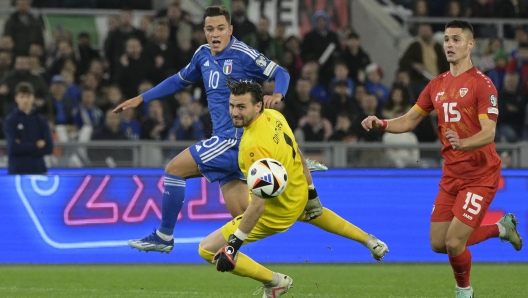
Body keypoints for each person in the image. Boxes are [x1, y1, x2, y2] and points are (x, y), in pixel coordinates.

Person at [114, 6, 326, 254]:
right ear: (204, 31)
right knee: (243, 219)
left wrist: (278, 93)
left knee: (173, 170)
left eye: (220, 28)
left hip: (232, 139)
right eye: (209, 29)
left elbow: (281, 72)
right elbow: (177, 81)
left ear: (230, 30)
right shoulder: (202, 54)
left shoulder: (242, 54)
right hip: (228, 145)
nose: (215, 34)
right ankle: (273, 273)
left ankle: (163, 236)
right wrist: (142, 98)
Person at [361, 20, 523, 298]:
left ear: (470, 44)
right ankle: (501, 229)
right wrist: (383, 124)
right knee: (439, 243)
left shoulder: (482, 85)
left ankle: (464, 291)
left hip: (480, 175)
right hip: (452, 175)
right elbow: (410, 120)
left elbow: (489, 133)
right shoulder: (436, 85)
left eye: (456, 39)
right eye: (447, 39)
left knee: (453, 241)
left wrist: (465, 143)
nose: (449, 44)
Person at [199, 79, 388, 297]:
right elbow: (298, 153)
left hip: (276, 213)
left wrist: (233, 245)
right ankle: (370, 240)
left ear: (258, 105)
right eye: (232, 105)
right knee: (313, 213)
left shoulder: (253, 146)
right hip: (298, 193)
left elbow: (259, 205)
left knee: (207, 248)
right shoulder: (275, 116)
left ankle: (276, 282)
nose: (234, 112)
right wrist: (312, 193)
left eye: (241, 107)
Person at [3, 82, 53, 174]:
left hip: (38, 170)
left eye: (28, 96)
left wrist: (22, 145)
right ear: (16, 98)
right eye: (22, 96)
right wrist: (36, 145)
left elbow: (49, 148)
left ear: (33, 98)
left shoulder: (41, 121)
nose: (25, 100)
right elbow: (13, 148)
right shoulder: (10, 121)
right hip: (17, 171)